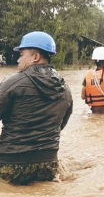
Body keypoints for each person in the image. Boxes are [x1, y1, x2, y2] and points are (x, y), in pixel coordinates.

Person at [0, 31, 73, 185]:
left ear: (35, 56)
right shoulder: (64, 88)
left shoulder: (14, 82)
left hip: (11, 163)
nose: (18, 60)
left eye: (21, 54)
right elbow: (61, 125)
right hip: (49, 165)